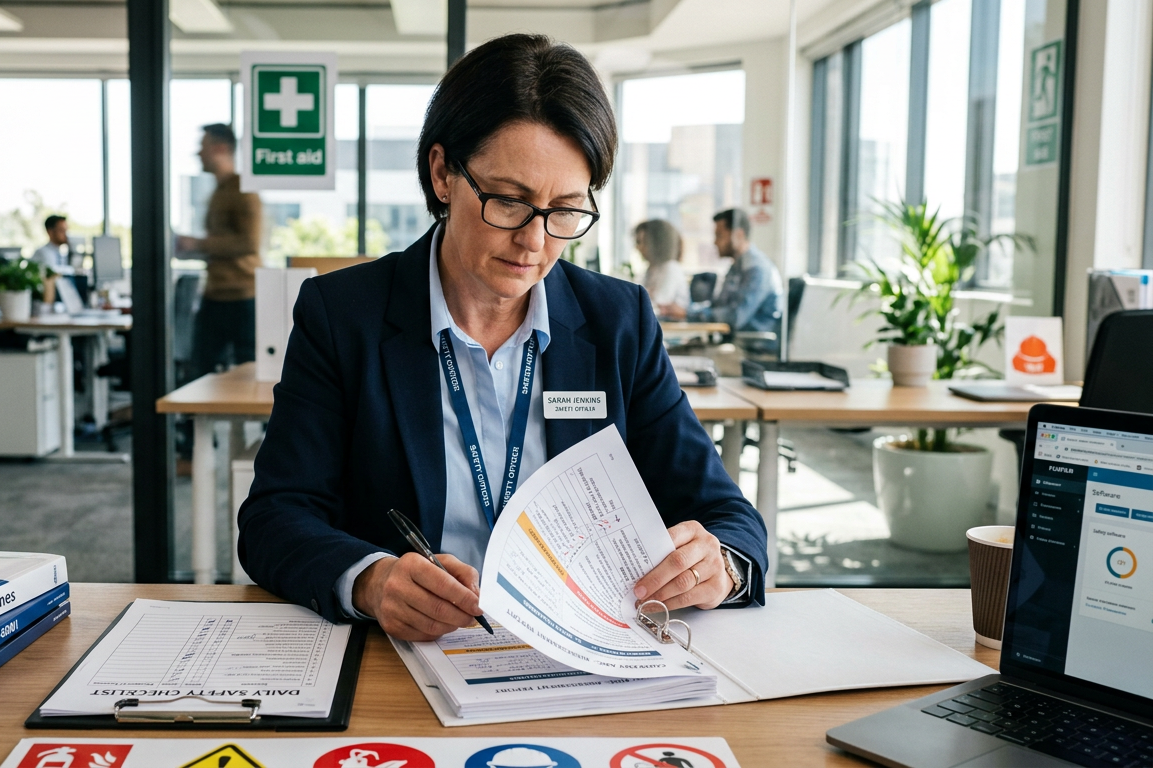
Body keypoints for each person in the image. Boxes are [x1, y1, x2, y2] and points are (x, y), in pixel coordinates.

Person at [238, 34, 767, 642]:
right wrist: (372, 580)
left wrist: (718, 565)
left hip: (586, 658)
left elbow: (729, 517)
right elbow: (275, 516)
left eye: (566, 210)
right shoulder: (345, 314)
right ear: (442, 174)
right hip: (409, 658)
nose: (535, 242)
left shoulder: (617, 320)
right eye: (510, 202)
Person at [176, 123, 263, 373]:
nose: (198, 154)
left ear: (220, 148)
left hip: (242, 295)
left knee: (248, 369)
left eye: (202, 147)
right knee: (200, 368)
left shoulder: (243, 190)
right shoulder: (219, 190)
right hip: (216, 293)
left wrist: (198, 243)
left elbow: (249, 242)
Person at [688, 208, 783, 341]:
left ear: (738, 235)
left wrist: (689, 314)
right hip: (734, 341)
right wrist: (691, 311)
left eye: (719, 235)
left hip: (752, 346)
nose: (715, 242)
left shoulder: (756, 269)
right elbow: (719, 305)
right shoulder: (737, 267)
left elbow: (736, 317)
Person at [633, 219, 687, 319]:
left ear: (656, 243)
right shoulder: (651, 269)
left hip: (670, 329)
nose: (637, 247)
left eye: (641, 242)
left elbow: (658, 303)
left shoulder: (671, 268)